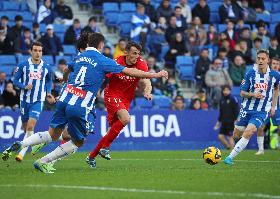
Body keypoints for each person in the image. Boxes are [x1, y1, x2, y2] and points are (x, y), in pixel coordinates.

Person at [2, 33, 168, 173]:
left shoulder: (80, 56)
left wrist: (64, 79)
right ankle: (44, 161)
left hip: (65, 98)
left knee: (53, 134)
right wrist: (156, 74)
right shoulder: (104, 60)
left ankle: (22, 143)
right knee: (78, 141)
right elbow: (130, 71)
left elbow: (68, 69)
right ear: (101, 45)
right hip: (80, 104)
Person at [86, 41, 156, 168]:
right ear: (126, 52)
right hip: (112, 94)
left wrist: (147, 92)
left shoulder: (141, 63)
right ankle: (105, 148)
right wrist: (98, 89)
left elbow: (146, 80)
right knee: (126, 118)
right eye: (134, 53)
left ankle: (91, 156)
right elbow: (104, 76)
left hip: (126, 99)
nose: (137, 56)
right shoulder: (117, 62)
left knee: (110, 132)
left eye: (138, 54)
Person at [223, 50, 280, 165]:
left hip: (261, 111)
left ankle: (229, 158)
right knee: (236, 135)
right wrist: (253, 94)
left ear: (268, 60)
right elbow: (242, 93)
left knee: (249, 132)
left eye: (263, 59)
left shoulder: (275, 76)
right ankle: (241, 139)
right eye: (258, 58)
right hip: (247, 109)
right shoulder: (250, 74)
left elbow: (276, 89)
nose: (260, 60)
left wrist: (273, 106)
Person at [9, 42, 55, 162]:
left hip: (38, 100)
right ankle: (36, 143)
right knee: (27, 130)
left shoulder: (46, 67)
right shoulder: (23, 65)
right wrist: (24, 86)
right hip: (24, 100)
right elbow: (15, 81)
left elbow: (49, 81)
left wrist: (48, 92)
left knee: (30, 126)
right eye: (35, 50)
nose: (37, 53)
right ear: (31, 51)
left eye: (40, 51)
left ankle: (21, 154)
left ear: (42, 52)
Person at [255, 57, 280, 155]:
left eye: (277, 64)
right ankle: (261, 149)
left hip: (278, 107)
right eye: (274, 63)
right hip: (264, 106)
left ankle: (279, 144)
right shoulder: (265, 76)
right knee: (260, 127)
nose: (276, 65)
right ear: (270, 65)